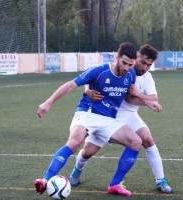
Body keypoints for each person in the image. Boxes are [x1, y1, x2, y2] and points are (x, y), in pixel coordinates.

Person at [33, 42, 142, 196]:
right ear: (116, 57)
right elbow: (71, 85)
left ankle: (115, 184)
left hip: (108, 119)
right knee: (75, 141)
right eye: (124, 63)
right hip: (87, 113)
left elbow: (130, 98)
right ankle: (44, 180)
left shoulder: (131, 75)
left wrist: (144, 98)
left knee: (135, 142)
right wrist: (48, 102)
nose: (126, 68)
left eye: (130, 65)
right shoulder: (99, 71)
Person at [69, 44, 172, 195]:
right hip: (107, 116)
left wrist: (143, 97)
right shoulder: (122, 69)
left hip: (130, 116)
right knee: (87, 152)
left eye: (149, 65)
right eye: (143, 62)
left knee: (147, 140)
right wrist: (88, 90)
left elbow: (152, 97)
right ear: (137, 57)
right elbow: (95, 79)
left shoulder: (146, 77)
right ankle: (76, 170)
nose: (145, 68)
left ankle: (160, 180)